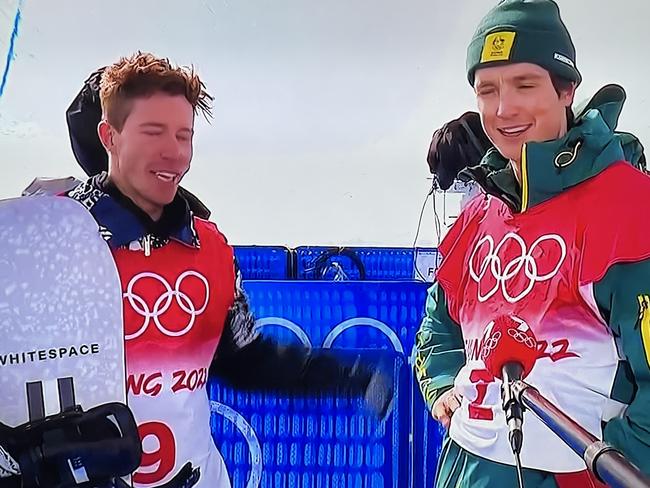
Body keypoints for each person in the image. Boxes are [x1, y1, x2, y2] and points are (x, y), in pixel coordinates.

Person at [9, 52, 393, 488]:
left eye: (183, 135)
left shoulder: (210, 246)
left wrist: (345, 375)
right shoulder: (42, 241)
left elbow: (244, 360)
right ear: (108, 136)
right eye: (153, 132)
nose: (173, 153)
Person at [414, 1, 650, 487]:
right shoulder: (481, 211)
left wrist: (606, 471)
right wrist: (440, 381)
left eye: (525, 85)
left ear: (567, 89)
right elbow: (439, 321)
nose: (504, 110)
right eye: (488, 90)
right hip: (466, 468)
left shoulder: (629, 206)